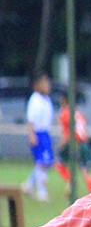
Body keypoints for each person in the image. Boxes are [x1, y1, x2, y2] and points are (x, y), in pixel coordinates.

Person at [54, 92, 91, 195]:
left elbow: (67, 132)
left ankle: (71, 181)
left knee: (58, 162)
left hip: (73, 142)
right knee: (86, 171)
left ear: (65, 100)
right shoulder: (78, 112)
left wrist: (61, 145)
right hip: (83, 143)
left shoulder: (65, 112)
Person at [22, 72, 55, 202]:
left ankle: (29, 185)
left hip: (46, 133)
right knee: (43, 162)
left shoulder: (46, 99)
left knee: (45, 162)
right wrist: (32, 135)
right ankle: (41, 191)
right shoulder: (35, 100)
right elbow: (31, 119)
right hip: (39, 133)